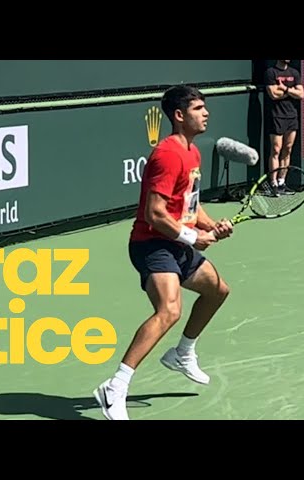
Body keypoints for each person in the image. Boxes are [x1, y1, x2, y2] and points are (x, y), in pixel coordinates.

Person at [92, 85, 234, 421]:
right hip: (152, 244)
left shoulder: (193, 152)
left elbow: (189, 205)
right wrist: (190, 236)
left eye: (205, 107)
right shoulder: (168, 154)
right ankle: (115, 387)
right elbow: (154, 213)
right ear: (179, 115)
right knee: (169, 309)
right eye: (199, 108)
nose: (206, 113)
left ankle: (182, 353)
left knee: (218, 291)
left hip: (177, 243)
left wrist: (212, 226)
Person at [264, 60, 304, 195]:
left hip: (292, 116)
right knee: (276, 149)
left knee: (288, 149)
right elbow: (273, 95)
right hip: (276, 116)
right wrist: (292, 92)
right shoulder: (271, 73)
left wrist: (285, 89)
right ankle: (273, 183)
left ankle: (282, 182)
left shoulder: (294, 73)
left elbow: (301, 94)